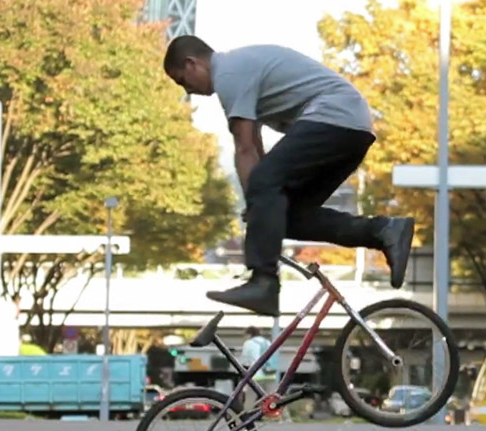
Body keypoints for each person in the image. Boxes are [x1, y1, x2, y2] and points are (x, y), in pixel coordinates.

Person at [162, 36, 415, 316]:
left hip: (335, 117)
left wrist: (257, 202)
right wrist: (262, 209)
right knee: (287, 218)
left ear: (192, 63)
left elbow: (244, 149)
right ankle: (382, 231)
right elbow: (255, 147)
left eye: (181, 80)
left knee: (263, 183)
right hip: (352, 129)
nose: (188, 90)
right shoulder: (238, 72)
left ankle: (263, 282)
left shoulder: (228, 74)